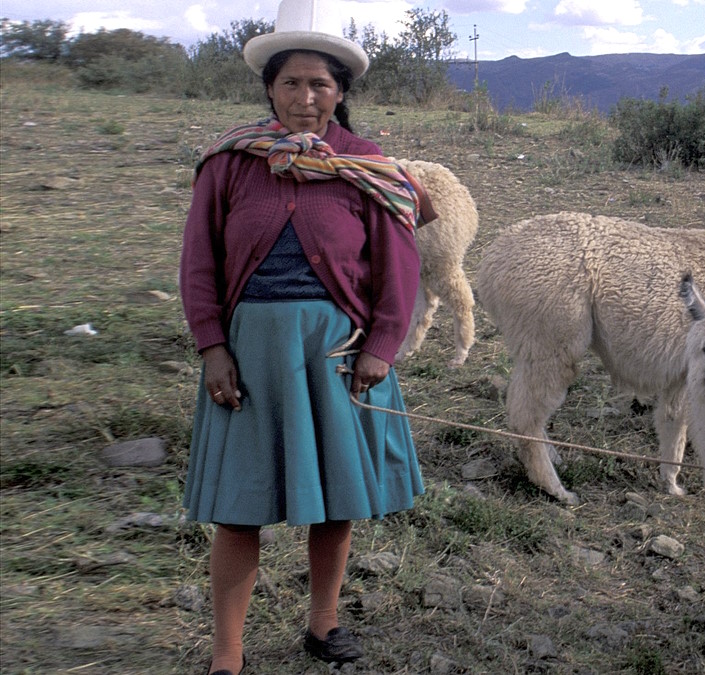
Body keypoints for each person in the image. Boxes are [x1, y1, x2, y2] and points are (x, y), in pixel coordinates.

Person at [179, 1, 431, 673]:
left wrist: (381, 345)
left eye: (321, 83)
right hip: (249, 355)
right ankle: (226, 656)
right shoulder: (230, 162)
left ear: (340, 92)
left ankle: (323, 623)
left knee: (336, 495)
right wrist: (212, 346)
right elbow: (199, 261)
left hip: (336, 352)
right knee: (239, 508)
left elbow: (398, 265)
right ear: (270, 87)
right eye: (291, 82)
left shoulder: (369, 167)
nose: (305, 96)